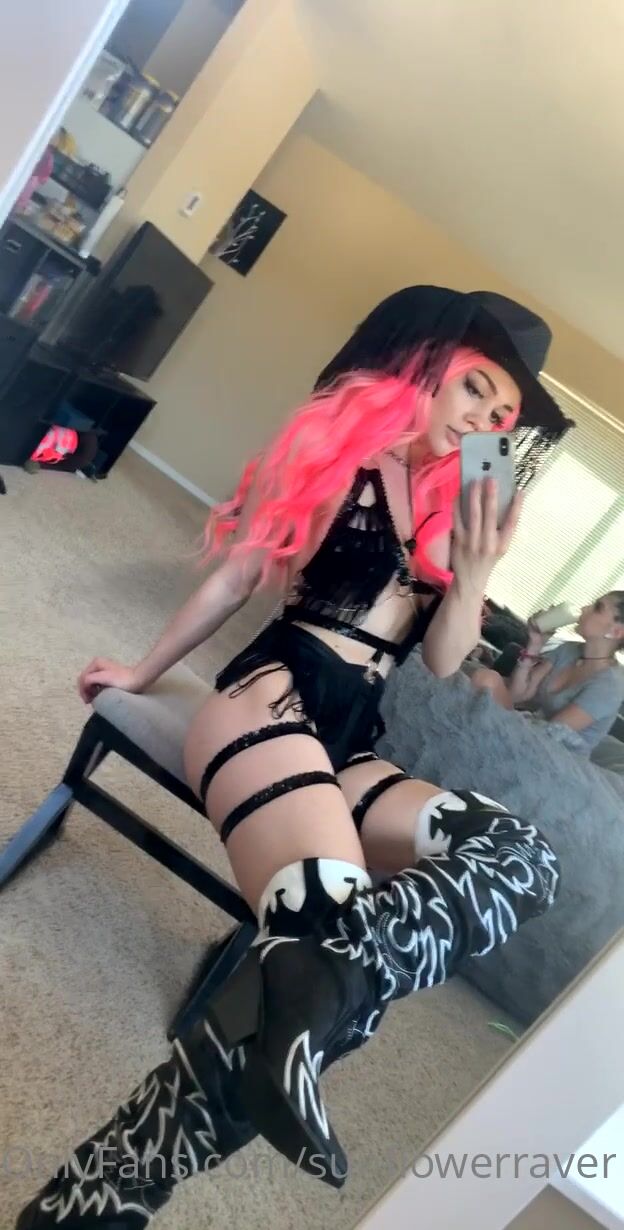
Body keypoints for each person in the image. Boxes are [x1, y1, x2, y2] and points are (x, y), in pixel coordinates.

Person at [17, 287, 571, 1229]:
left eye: (502, 415)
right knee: (327, 927)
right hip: (270, 699)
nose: (484, 418)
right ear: (430, 365)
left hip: (354, 739)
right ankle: (101, 1200)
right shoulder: (342, 449)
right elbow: (238, 575)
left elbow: (443, 661)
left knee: (521, 859)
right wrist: (144, 671)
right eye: (476, 388)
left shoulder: (458, 513)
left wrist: (475, 575)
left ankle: (128, 1161)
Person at [472, 593, 624, 752]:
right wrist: (535, 644)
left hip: (556, 753)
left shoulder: (610, 686)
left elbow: (551, 732)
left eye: (597, 608)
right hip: (533, 730)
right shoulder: (568, 649)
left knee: (486, 684)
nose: (585, 608)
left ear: (616, 632)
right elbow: (518, 695)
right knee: (487, 678)